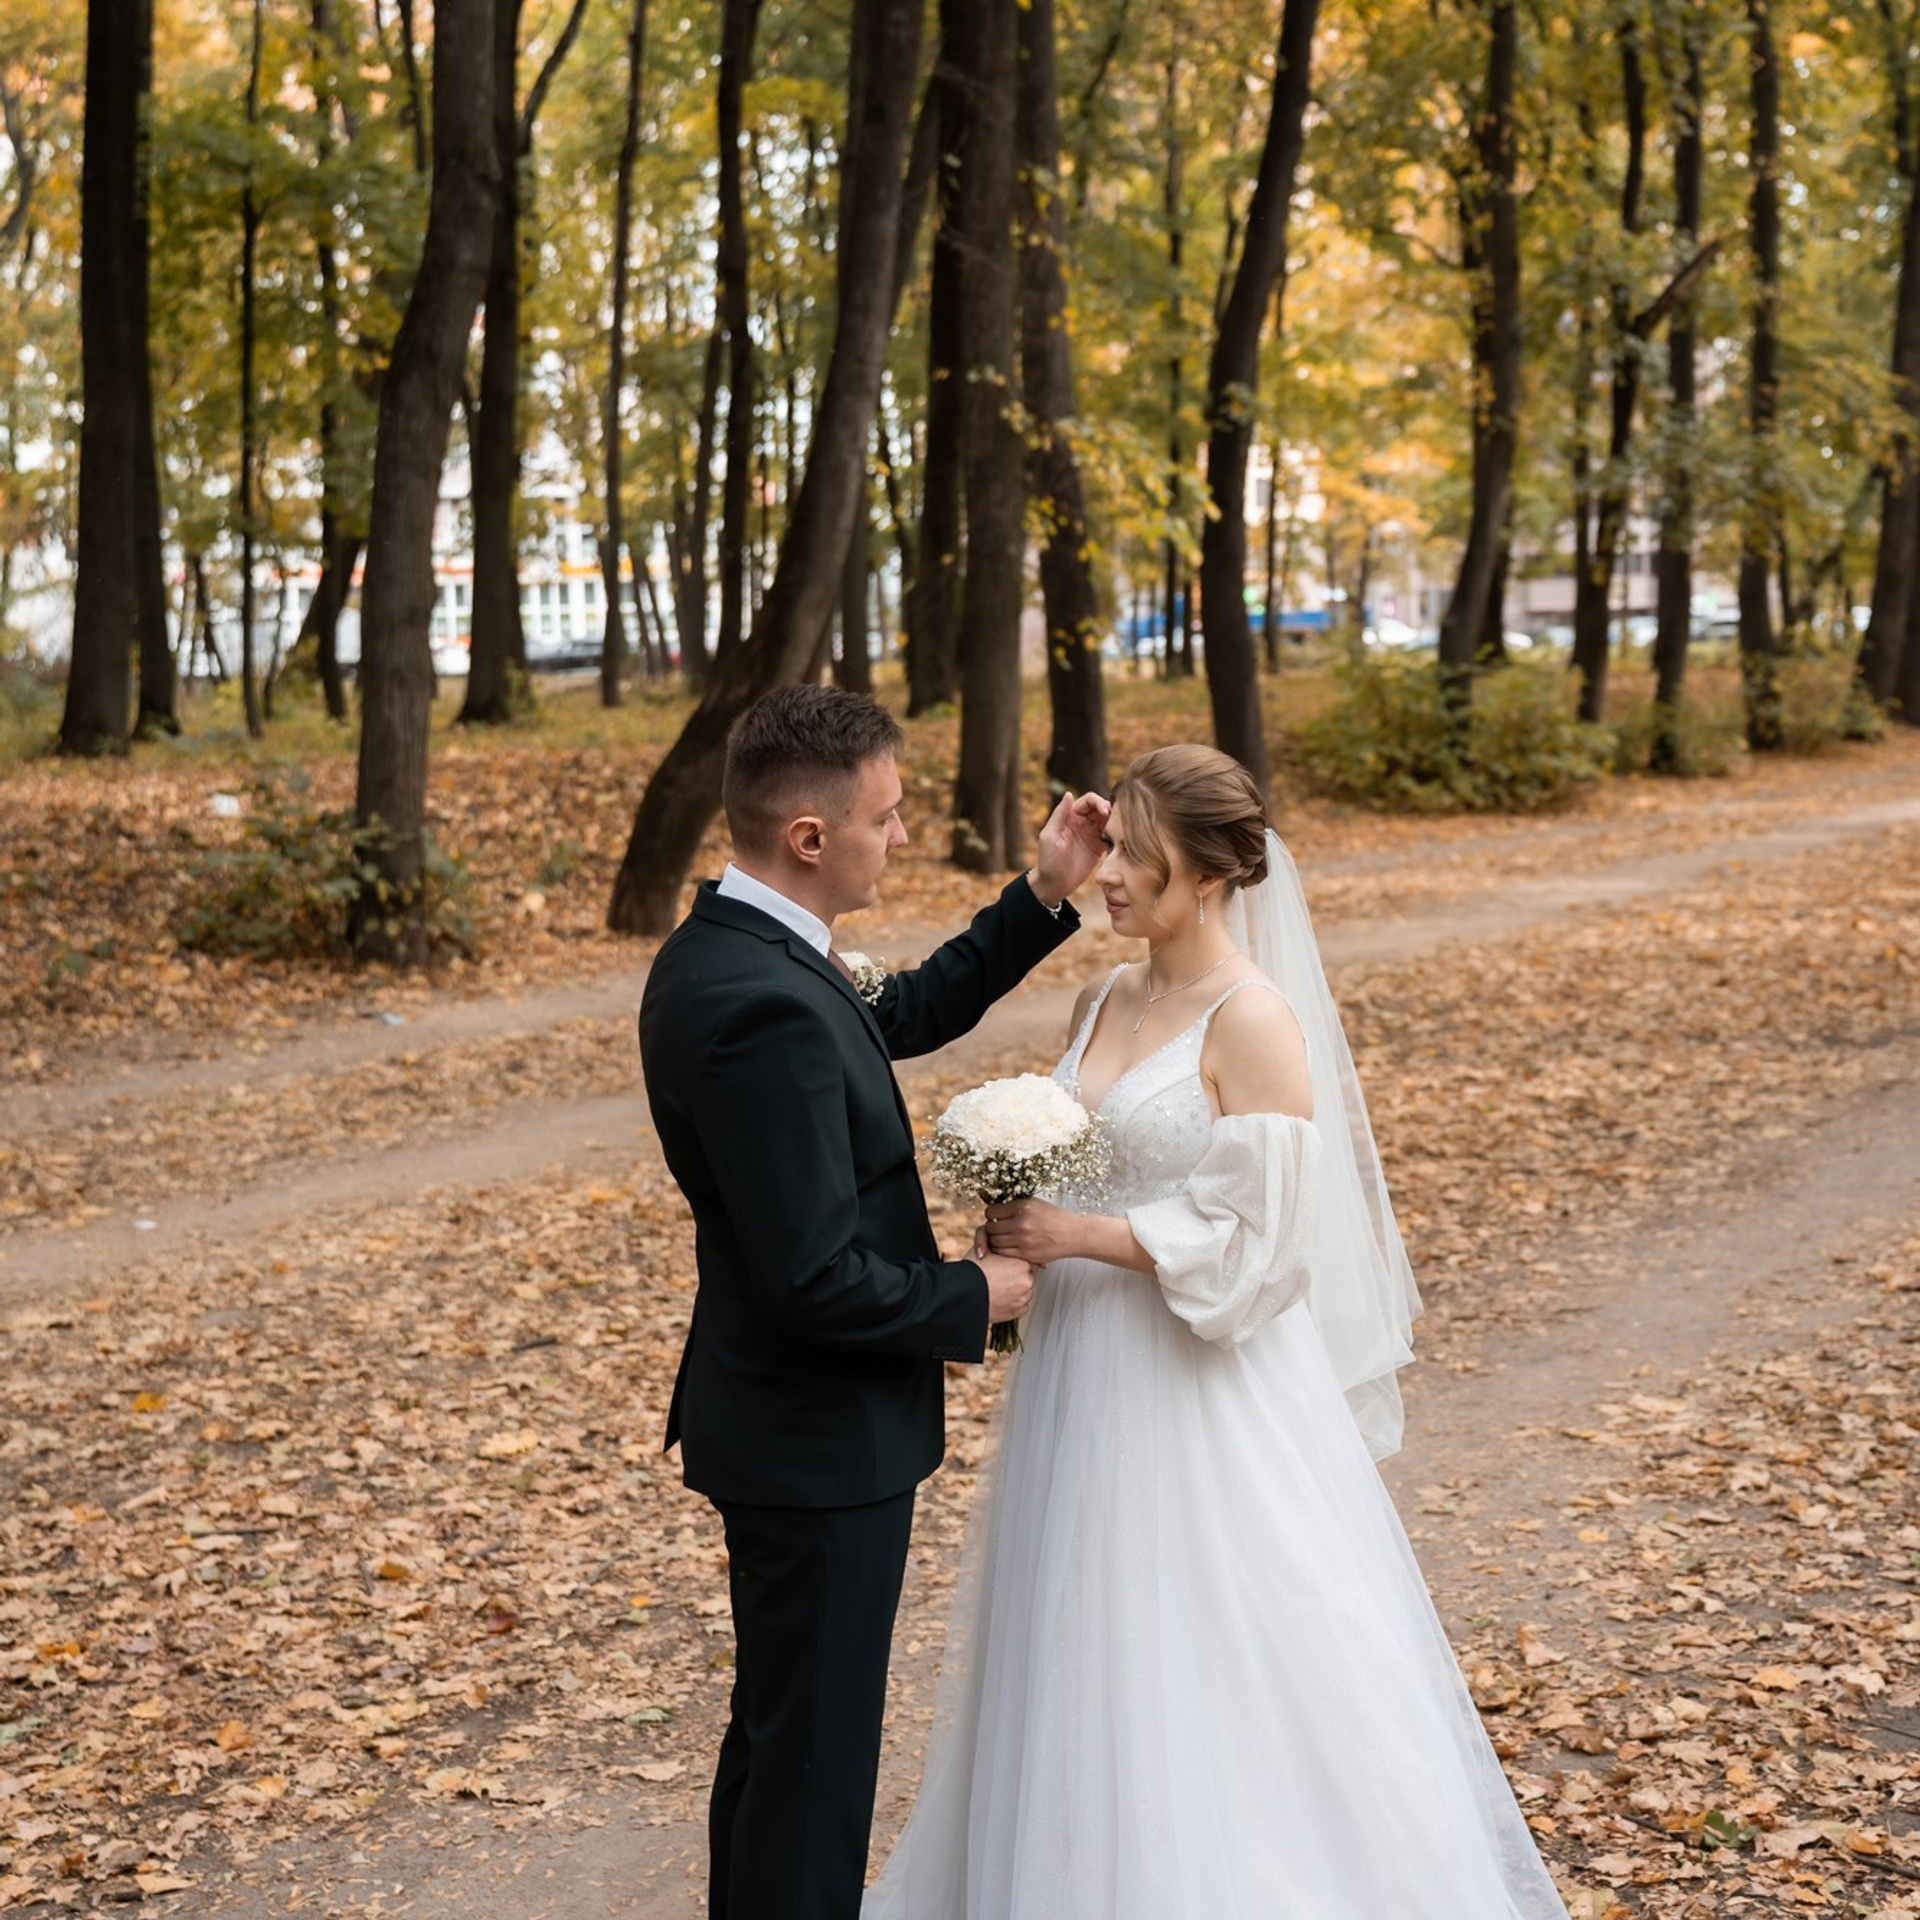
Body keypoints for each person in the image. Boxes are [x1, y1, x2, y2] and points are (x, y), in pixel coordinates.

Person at [864, 743, 1570, 1920]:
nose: (1115, 874)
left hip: (1195, 1381)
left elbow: (1260, 1246)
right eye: (1115, 850)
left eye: (1138, 853)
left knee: (1205, 1637)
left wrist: (1076, 1239)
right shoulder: (1104, 996)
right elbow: (1070, 1150)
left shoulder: (1254, 1021)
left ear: (1207, 871)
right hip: (1083, 1370)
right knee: (1076, 1629)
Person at [639, 685, 1110, 1920]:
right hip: (813, 1437)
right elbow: (812, 1280)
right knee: (813, 1759)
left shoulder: (753, 948)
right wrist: (976, 1291)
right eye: (888, 817)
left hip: (793, 1429)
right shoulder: (758, 1006)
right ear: (810, 836)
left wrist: (1044, 893)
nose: (900, 836)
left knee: (786, 1737)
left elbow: (898, 1014)